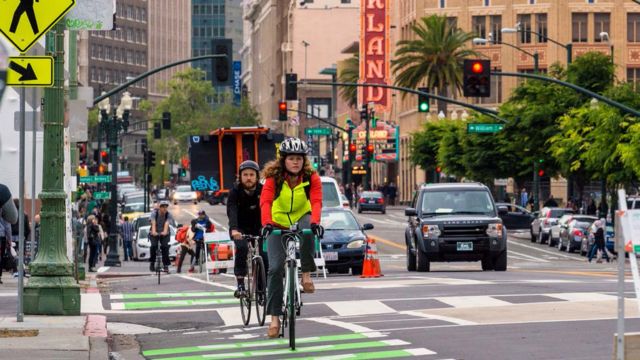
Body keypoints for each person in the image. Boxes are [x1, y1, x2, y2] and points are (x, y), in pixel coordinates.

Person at [260, 138, 324, 338]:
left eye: (299, 158)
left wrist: (315, 222)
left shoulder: (311, 177)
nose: (295, 162)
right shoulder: (273, 179)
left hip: (301, 216)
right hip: (277, 223)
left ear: (303, 160)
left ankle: (305, 274)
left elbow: (316, 201)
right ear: (283, 160)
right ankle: (275, 319)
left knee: (307, 231)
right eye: (291, 159)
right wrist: (267, 223)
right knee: (275, 268)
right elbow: (266, 201)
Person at [226, 160, 266, 298]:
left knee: (264, 253)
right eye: (245, 174)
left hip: (259, 226)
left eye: (251, 174)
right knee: (242, 249)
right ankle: (241, 284)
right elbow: (232, 211)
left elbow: (269, 208)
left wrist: (269, 226)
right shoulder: (234, 192)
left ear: (257, 176)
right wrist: (234, 229)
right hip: (240, 228)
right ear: (240, 176)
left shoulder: (263, 190)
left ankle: (262, 287)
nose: (248, 178)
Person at [150, 200, 173, 273]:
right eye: (163, 207)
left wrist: (165, 232)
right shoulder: (154, 214)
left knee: (165, 247)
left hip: (164, 233)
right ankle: (152, 263)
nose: (165, 209)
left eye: (166, 207)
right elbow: (153, 223)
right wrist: (154, 232)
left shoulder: (168, 215)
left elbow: (166, 224)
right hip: (155, 232)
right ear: (159, 208)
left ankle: (166, 265)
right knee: (153, 246)